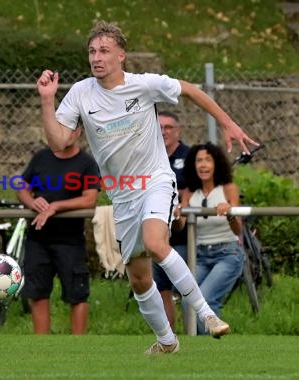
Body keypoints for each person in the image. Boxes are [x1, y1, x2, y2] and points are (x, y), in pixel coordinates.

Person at [36, 21, 258, 354]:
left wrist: (228, 123)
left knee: (156, 242)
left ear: (121, 55)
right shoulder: (81, 93)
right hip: (122, 194)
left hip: (155, 179)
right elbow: (60, 141)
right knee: (140, 278)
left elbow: (192, 90)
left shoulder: (145, 85)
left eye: (104, 51)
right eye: (92, 51)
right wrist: (47, 101)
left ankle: (207, 315)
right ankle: (167, 341)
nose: (96, 57)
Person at [16, 126, 100, 335]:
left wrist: (56, 206)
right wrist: (32, 201)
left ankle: (77, 347)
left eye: (71, 129)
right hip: (38, 239)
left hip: (70, 241)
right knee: (37, 293)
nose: (65, 134)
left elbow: (90, 199)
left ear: (79, 132)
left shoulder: (87, 163)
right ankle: (42, 346)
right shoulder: (41, 157)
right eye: (60, 128)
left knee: (77, 294)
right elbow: (21, 187)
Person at [172, 142, 245, 335]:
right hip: (201, 255)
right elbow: (181, 226)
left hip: (227, 253)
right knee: (188, 300)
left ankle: (212, 351)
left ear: (216, 164)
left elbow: (238, 229)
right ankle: (201, 348)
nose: (203, 165)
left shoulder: (228, 188)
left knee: (205, 298)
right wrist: (178, 214)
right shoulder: (189, 192)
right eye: (199, 161)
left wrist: (229, 212)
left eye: (208, 160)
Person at [152, 111, 190, 332]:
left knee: (184, 286)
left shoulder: (190, 155)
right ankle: (169, 336)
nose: (164, 132)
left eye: (168, 127)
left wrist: (182, 206)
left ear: (178, 130)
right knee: (162, 288)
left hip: (184, 236)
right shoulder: (150, 155)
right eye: (160, 127)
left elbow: (192, 187)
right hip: (157, 233)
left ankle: (193, 332)